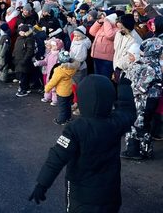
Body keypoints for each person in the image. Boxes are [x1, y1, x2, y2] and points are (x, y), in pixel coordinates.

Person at [29, 75, 136, 212]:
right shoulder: (116, 123)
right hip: (110, 194)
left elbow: (56, 157)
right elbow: (128, 111)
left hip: (80, 196)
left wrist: (42, 184)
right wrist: (124, 87)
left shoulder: (75, 128)